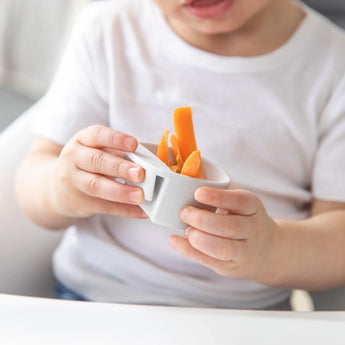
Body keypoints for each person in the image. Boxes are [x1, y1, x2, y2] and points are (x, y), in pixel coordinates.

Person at [15, 0, 345, 310]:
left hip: (246, 316)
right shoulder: (109, 32)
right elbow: (36, 172)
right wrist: (62, 188)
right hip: (98, 297)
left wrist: (271, 250)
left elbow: (337, 236)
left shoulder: (333, 66)